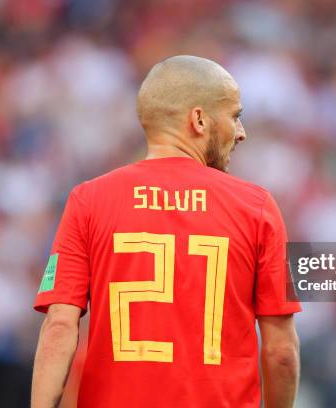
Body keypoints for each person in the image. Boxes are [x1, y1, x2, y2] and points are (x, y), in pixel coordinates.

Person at [31, 55, 301, 408]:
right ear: (199, 120)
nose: (241, 132)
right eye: (235, 116)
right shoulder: (257, 207)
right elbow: (281, 351)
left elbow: (59, 328)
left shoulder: (89, 200)